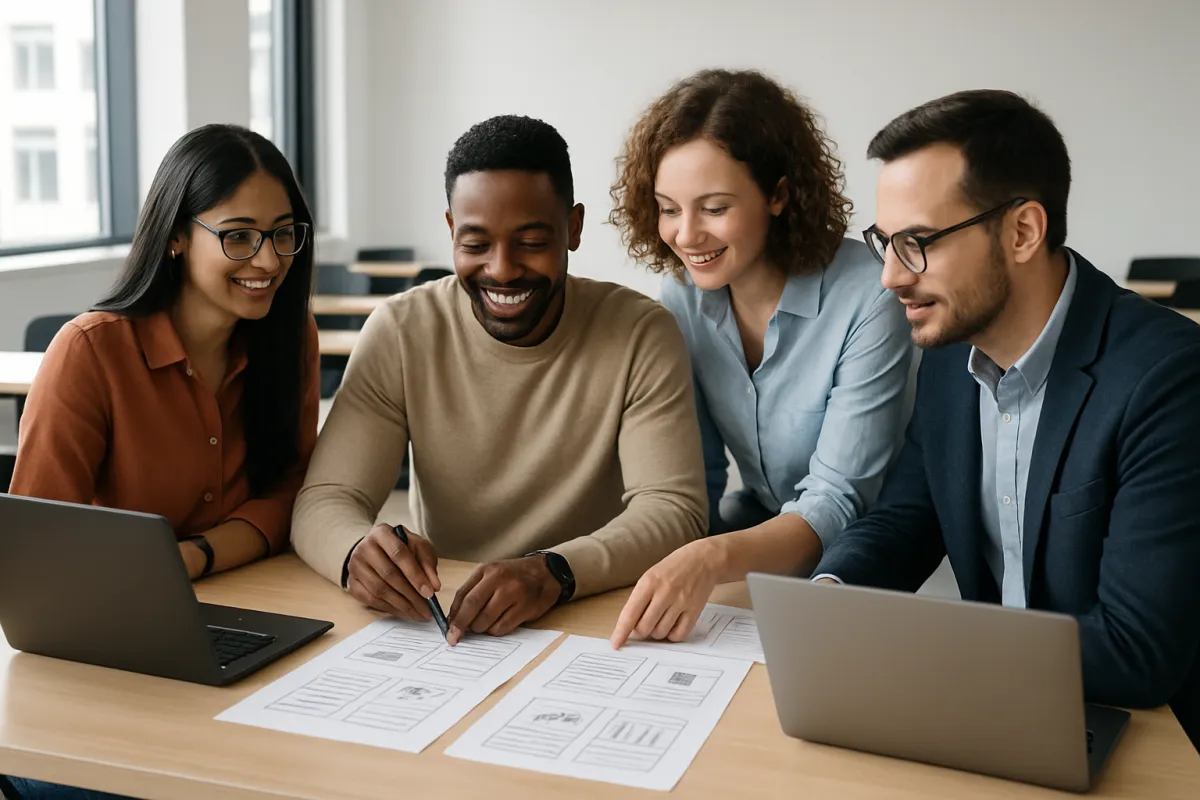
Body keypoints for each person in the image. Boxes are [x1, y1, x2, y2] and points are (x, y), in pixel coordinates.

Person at [810, 89, 1200, 752]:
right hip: (997, 709)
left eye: (917, 243)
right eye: (885, 243)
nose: (889, 278)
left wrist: (916, 645)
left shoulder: (1167, 379)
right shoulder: (949, 356)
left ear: (1023, 231)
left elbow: (1138, 652)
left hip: (1142, 735)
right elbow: (910, 516)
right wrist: (832, 592)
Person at [292, 115, 707, 644]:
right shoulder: (400, 331)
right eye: (476, 243)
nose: (503, 269)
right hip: (452, 627)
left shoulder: (640, 332)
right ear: (450, 230)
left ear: (573, 228)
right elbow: (324, 501)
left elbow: (674, 512)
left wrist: (553, 571)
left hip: (594, 617)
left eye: (531, 241)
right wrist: (357, 553)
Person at [5, 124, 319, 797]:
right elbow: (37, 555)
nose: (267, 259)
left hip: (235, 627)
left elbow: (296, 492)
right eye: (238, 235)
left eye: (285, 232)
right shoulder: (90, 352)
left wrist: (195, 558)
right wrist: (174, 567)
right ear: (177, 235)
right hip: (94, 667)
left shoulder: (289, 340)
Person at [606, 69, 912, 647]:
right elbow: (695, 477)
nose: (686, 234)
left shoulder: (870, 294)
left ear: (778, 193)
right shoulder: (680, 299)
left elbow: (837, 498)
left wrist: (710, 558)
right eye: (668, 208)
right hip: (757, 533)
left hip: (862, 561)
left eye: (714, 207)